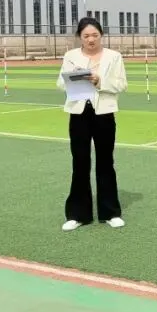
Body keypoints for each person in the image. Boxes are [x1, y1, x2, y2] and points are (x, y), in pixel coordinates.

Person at [57, 17, 128, 232]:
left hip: (104, 113)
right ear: (79, 37)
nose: (91, 39)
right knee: (80, 162)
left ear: (101, 36)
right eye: (86, 35)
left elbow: (121, 84)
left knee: (106, 161)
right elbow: (60, 83)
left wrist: (100, 81)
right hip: (78, 113)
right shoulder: (71, 56)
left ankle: (110, 212)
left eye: (95, 35)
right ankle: (77, 214)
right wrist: (74, 79)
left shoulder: (114, 57)